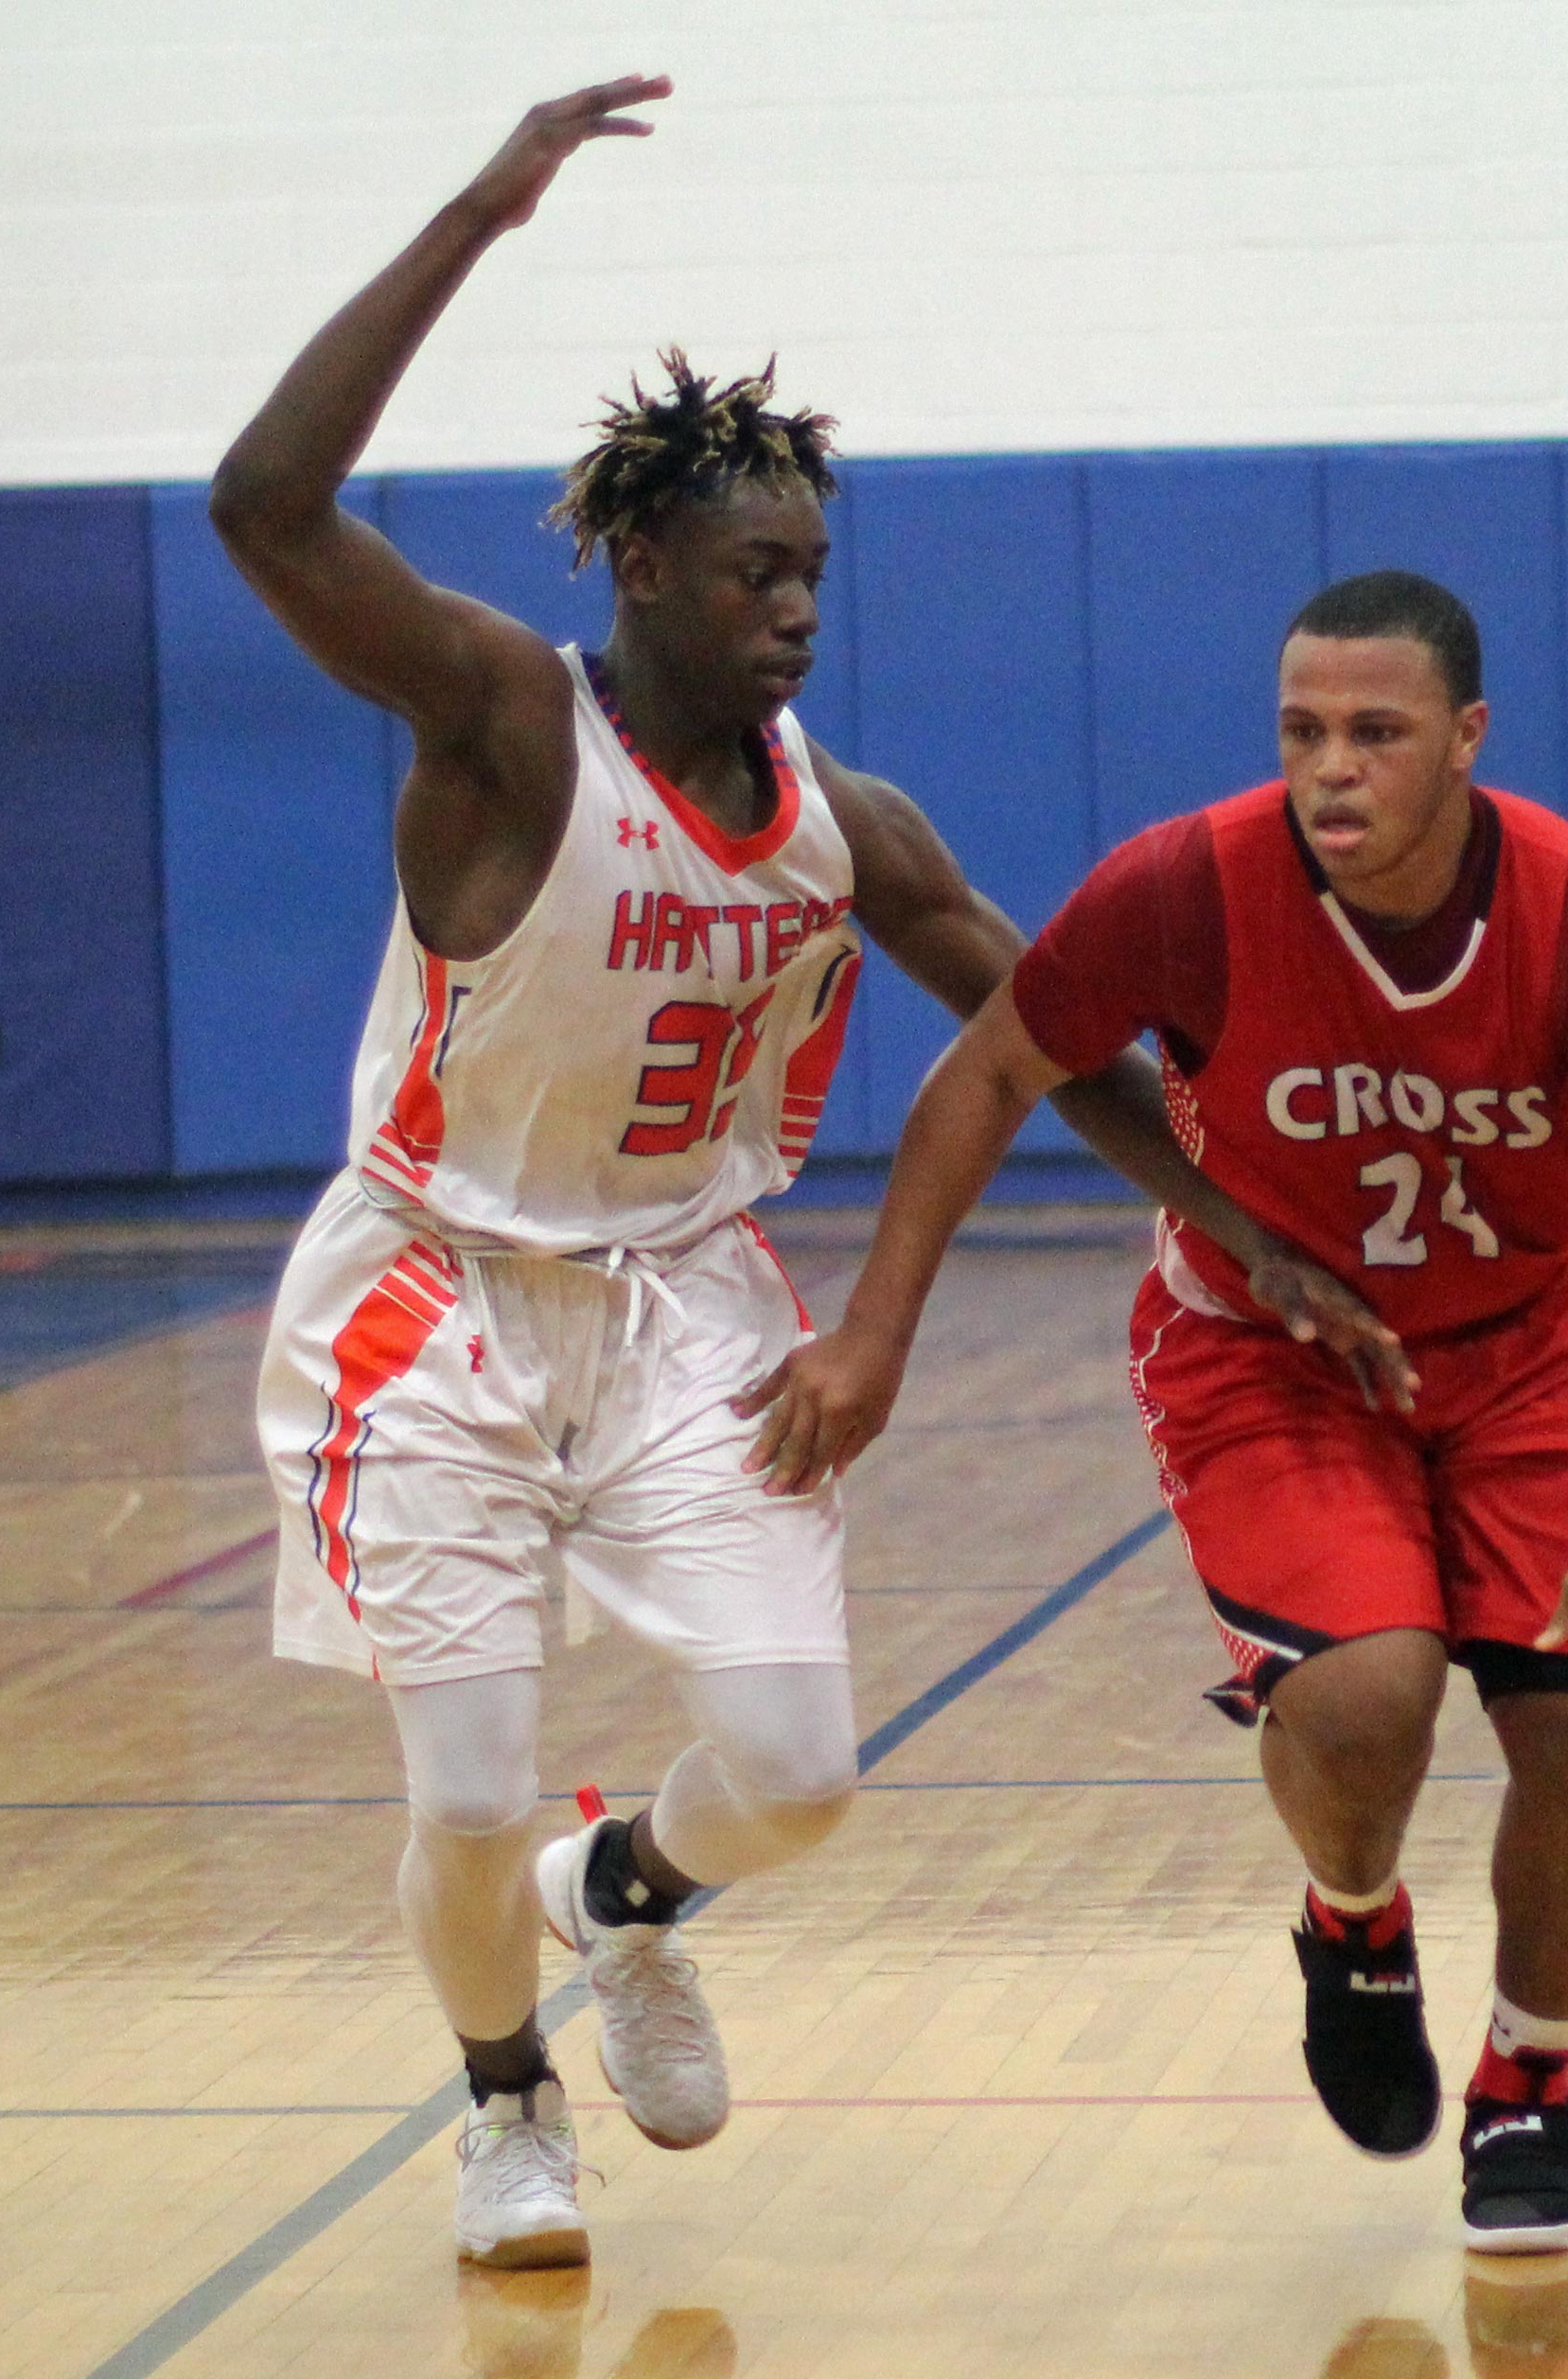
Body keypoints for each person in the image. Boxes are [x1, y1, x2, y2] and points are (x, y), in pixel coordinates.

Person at [213, 78, 1395, 2271]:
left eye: (816, 576)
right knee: (459, 1792)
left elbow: (1048, 1029)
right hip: (434, 1302)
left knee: (801, 1772)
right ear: (646, 566)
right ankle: (507, 2103)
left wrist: (1245, 1232)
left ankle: (622, 1899)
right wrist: (477, 213)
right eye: (759, 572)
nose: (797, 612)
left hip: (690, 1309)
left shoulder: (849, 822)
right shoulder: (507, 724)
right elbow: (265, 507)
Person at [740, 569, 1568, 2255]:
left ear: (1468, 739)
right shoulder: (1189, 885)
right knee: (1366, 1701)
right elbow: (990, 1069)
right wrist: (877, 1333)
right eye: (1302, 730)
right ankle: (1355, 1918)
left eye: (1376, 732)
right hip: (1276, 1349)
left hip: (1529, 1343)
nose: (1332, 767)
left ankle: (1529, 2078)